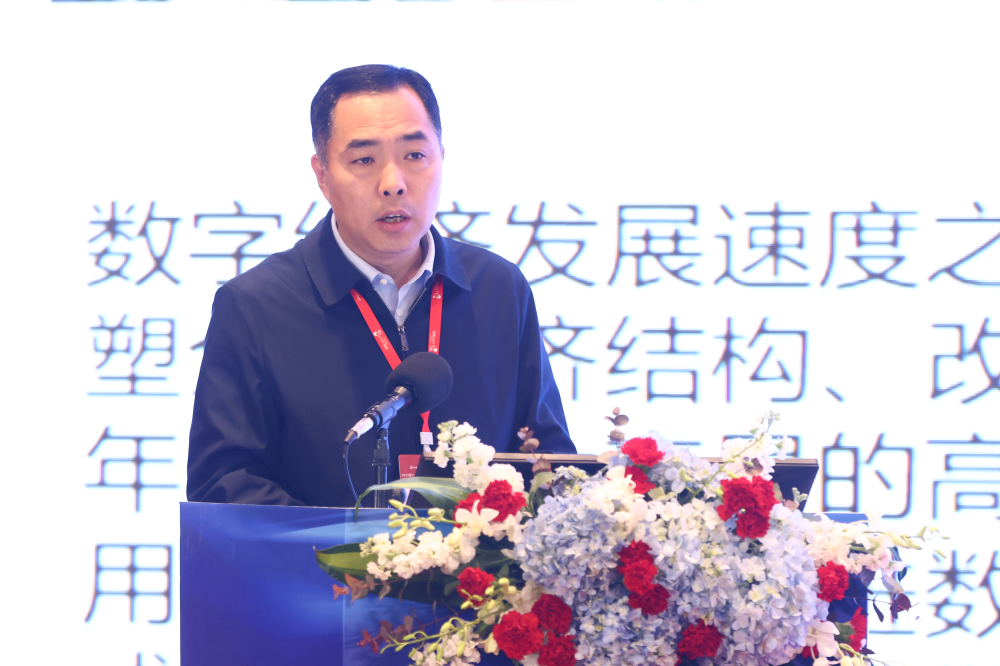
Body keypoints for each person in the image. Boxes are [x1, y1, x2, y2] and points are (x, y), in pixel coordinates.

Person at [186, 64, 575, 508]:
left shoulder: (499, 290)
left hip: (479, 557)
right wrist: (354, 547)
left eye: (415, 155)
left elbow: (548, 461)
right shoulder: (255, 306)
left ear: (441, 158)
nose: (393, 184)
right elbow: (225, 486)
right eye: (364, 160)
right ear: (322, 174)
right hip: (327, 558)